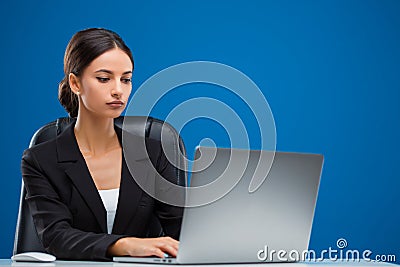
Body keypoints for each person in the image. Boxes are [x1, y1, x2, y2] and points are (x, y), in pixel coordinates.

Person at [21, 28, 183, 261]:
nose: (119, 90)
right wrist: (123, 244)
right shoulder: (40, 160)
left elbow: (182, 229)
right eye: (104, 79)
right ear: (75, 83)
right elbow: (57, 237)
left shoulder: (152, 153)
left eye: (126, 79)